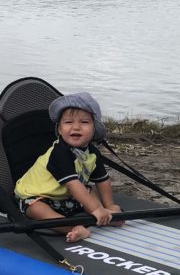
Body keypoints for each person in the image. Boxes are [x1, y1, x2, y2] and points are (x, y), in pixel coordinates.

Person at [13, 92, 122, 242]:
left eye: (84, 122)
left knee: (90, 191)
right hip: (37, 195)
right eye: (68, 122)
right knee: (35, 208)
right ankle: (73, 228)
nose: (76, 127)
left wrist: (109, 205)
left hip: (65, 197)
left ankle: (106, 216)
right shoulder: (60, 153)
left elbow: (103, 180)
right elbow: (73, 185)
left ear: (94, 128)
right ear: (59, 129)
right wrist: (96, 209)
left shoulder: (92, 153)